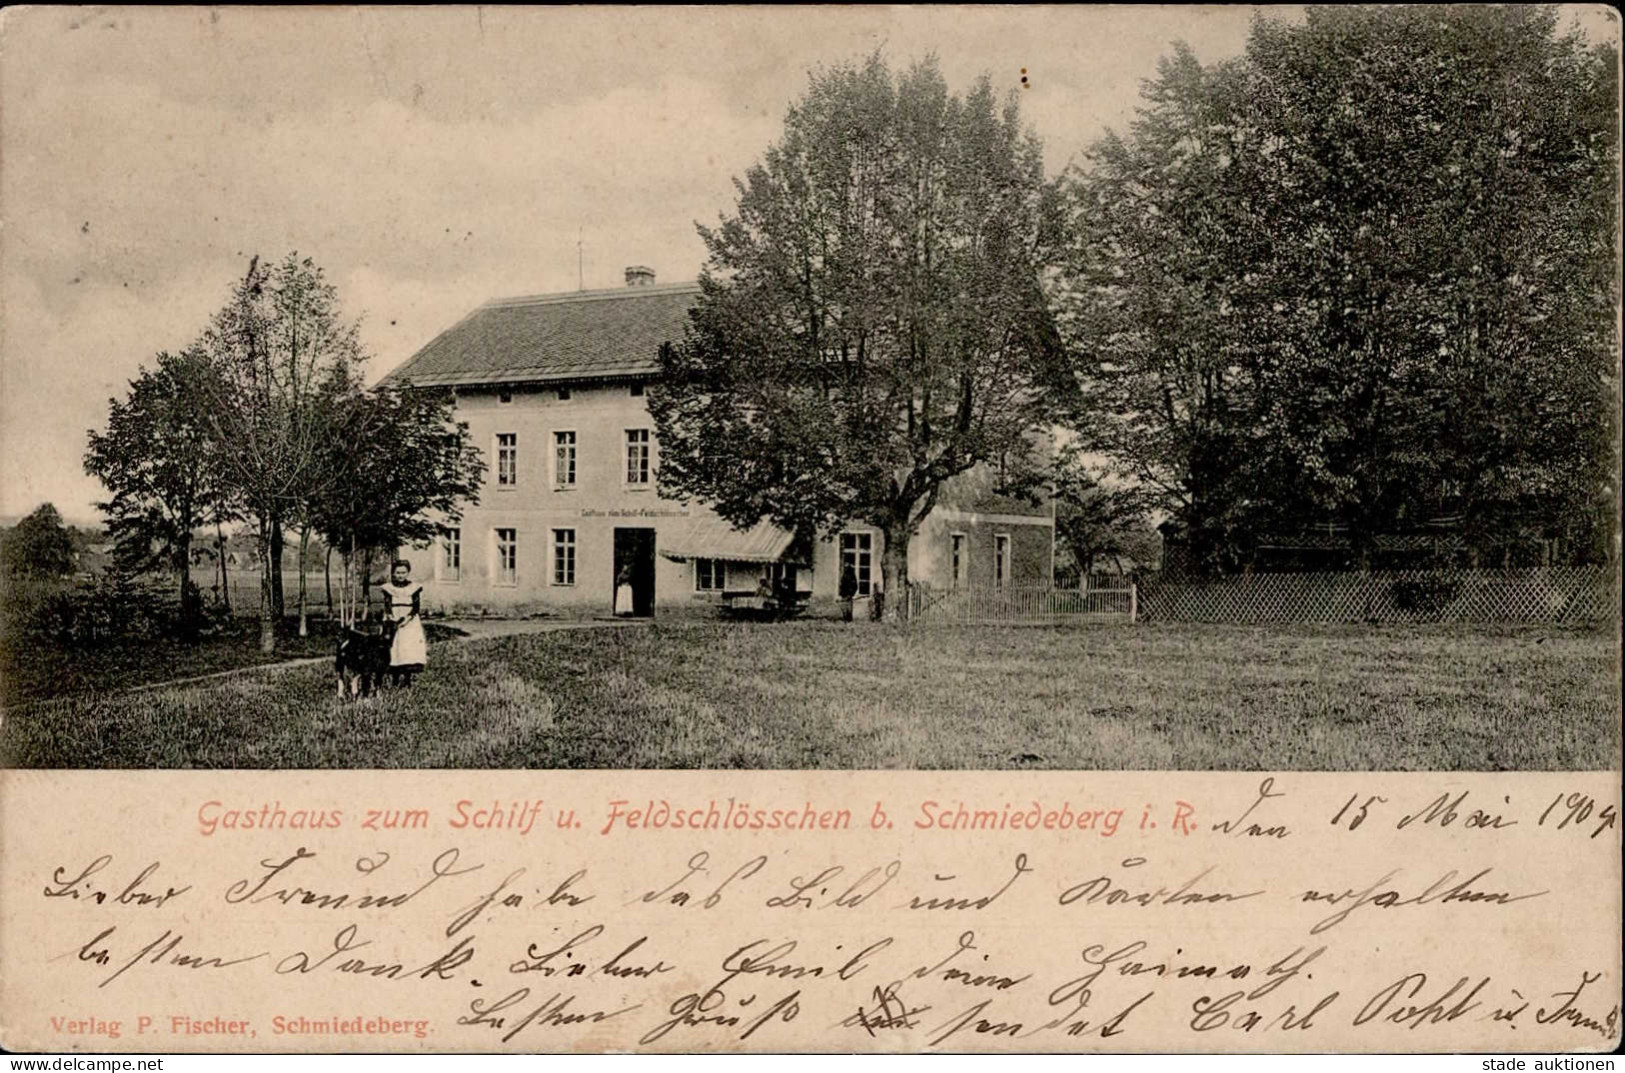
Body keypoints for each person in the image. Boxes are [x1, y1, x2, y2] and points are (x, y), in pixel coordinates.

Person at [378, 559, 427, 686]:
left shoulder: (413, 588)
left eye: (403, 572)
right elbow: (387, 605)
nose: (400, 575)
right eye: (398, 572)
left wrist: (407, 618)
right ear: (393, 573)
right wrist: (391, 618)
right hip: (392, 620)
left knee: (408, 648)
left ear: (408, 573)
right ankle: (394, 678)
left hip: (409, 621)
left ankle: (407, 679)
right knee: (393, 647)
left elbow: (416, 606)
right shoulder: (389, 588)